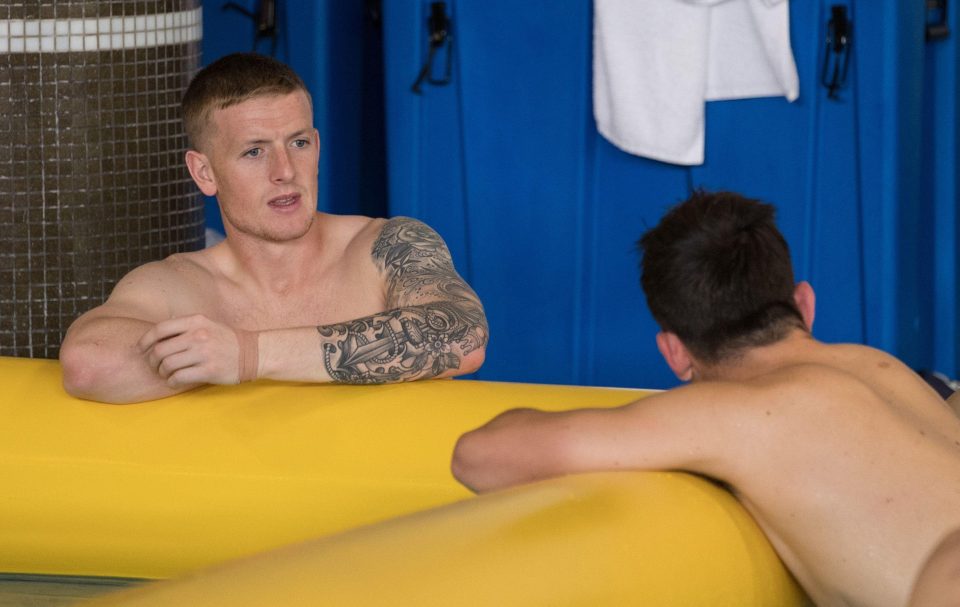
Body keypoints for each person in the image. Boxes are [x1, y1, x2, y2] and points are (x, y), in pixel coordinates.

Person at [451, 191, 960, 607]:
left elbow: (480, 456)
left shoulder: (738, 415)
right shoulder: (881, 366)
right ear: (804, 303)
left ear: (674, 353)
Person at [60, 53, 487, 404]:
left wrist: (247, 355)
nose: (285, 171)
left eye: (298, 143)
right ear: (204, 172)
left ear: (317, 148)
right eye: (254, 152)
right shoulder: (178, 285)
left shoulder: (384, 247)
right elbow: (88, 361)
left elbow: (463, 335)